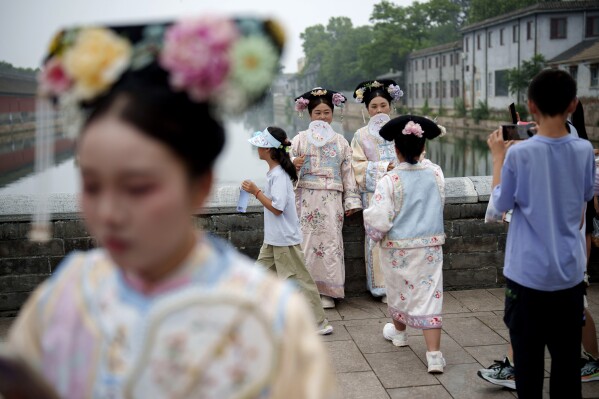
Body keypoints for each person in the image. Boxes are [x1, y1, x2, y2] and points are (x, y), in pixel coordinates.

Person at [4, 16, 337, 398]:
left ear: (201, 185)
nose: (109, 212)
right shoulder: (63, 299)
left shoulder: (270, 316)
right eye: (92, 184)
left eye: (139, 186)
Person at [488, 69, 594, 398]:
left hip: (528, 277)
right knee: (566, 368)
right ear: (573, 104)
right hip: (569, 276)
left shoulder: (520, 153)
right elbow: (584, 201)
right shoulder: (585, 150)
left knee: (529, 369)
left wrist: (498, 158)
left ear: (531, 107)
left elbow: (501, 204)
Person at [362, 115, 446, 373]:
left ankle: (400, 334)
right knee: (430, 294)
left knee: (398, 289)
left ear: (395, 150)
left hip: (398, 247)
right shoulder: (435, 173)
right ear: (423, 148)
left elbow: (379, 218)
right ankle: (433, 355)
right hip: (429, 246)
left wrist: (374, 234)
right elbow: (439, 202)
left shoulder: (390, 180)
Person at [242, 126, 333, 335]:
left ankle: (319, 323)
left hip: (284, 239)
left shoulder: (280, 175)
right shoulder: (276, 172)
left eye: (261, 146)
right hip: (274, 239)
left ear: (269, 150)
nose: (258, 149)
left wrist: (255, 191)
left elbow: (277, 208)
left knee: (299, 280)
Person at [291, 88, 362, 308]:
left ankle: (328, 292)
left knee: (331, 242)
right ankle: (307, 290)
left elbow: (348, 172)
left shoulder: (341, 142)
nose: (322, 117)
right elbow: (286, 160)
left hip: (332, 199)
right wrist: (293, 162)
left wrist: (351, 201)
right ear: (309, 115)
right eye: (317, 113)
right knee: (306, 241)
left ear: (333, 113)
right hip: (306, 198)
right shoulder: (300, 139)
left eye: (326, 112)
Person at [351, 79, 404, 303]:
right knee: (376, 241)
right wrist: (384, 167)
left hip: (402, 193)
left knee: (402, 238)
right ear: (367, 109)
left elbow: (418, 157)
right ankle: (382, 288)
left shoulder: (405, 129)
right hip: (374, 196)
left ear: (390, 106)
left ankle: (403, 285)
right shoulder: (360, 135)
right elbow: (357, 166)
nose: (378, 110)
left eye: (383, 105)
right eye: (373, 107)